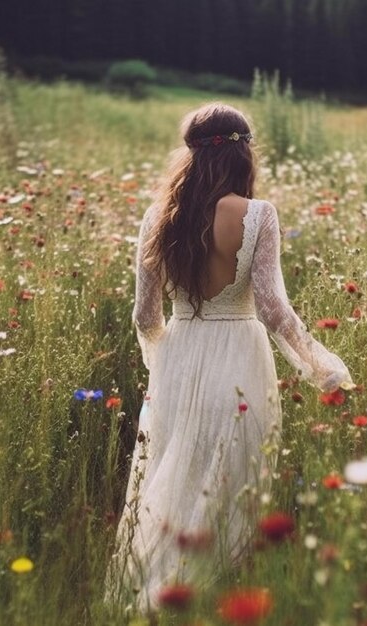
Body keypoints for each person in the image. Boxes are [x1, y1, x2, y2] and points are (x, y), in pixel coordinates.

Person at [105, 102, 353, 613]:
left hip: (179, 355)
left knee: (171, 484)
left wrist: (162, 360)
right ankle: (216, 600)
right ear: (244, 154)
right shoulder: (258, 215)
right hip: (239, 356)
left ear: (190, 156)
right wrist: (319, 365)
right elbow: (273, 308)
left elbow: (143, 314)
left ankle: (158, 596)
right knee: (232, 488)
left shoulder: (158, 217)